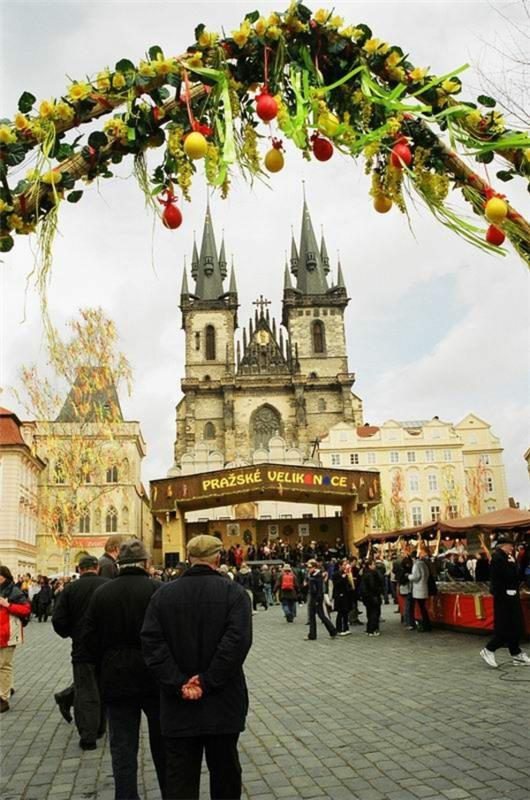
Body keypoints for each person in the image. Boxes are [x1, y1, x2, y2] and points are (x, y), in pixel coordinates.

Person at [141, 534, 252, 800]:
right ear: (217, 558)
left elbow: (152, 644)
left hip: (178, 702)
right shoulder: (234, 593)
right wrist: (207, 680)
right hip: (223, 700)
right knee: (225, 772)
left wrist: (179, 681)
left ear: (189, 559)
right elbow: (236, 643)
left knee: (180, 776)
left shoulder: (163, 595)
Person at [83, 539, 165, 800]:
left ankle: (126, 795)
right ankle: (170, 792)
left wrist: (103, 665)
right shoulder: (158, 590)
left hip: (116, 675)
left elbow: (88, 638)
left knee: (122, 747)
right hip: (155, 674)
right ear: (145, 563)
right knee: (164, 743)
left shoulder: (102, 593)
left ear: (119, 564)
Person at [52, 555, 109, 748]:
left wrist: (72, 633)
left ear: (79, 568)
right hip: (105, 648)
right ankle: (101, 727)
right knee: (103, 688)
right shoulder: (108, 585)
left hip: (81, 648)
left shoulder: (70, 589)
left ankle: (88, 736)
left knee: (85, 691)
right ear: (97, 567)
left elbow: (58, 620)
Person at [480, 534, 530, 668]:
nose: (512, 548)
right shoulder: (498, 558)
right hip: (504, 598)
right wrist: (513, 565)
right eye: (510, 546)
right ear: (503, 546)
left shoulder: (505, 558)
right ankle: (489, 649)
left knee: (516, 625)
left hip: (511, 596)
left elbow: (515, 578)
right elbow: (508, 576)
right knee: (505, 627)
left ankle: (516, 653)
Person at [0, 566, 31, 713]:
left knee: (3, 665)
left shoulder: (13, 590)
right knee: (5, 665)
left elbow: (26, 610)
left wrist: (8, 605)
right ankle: (8, 687)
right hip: (2, 632)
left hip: (8, 634)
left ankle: (3, 699)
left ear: (3, 577)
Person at [304, 560, 337, 641]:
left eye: (310, 567)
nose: (308, 569)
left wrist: (318, 600)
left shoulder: (318, 576)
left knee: (321, 615)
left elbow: (319, 589)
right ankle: (312, 635)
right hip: (312, 596)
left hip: (317, 598)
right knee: (312, 617)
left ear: (314, 567)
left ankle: (332, 630)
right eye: (308, 567)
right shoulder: (311, 575)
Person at [360, 560, 384, 636]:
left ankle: (369, 629)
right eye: (373, 564)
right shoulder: (372, 574)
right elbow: (373, 586)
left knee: (370, 613)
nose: (375, 566)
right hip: (373, 596)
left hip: (367, 597)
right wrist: (378, 592)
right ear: (369, 566)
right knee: (375, 613)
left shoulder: (364, 573)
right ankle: (373, 629)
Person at [409, 551, 432, 632]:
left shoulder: (416, 565)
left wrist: (409, 576)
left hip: (418, 589)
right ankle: (426, 624)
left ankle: (426, 625)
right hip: (424, 587)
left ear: (413, 558)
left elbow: (416, 576)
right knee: (423, 608)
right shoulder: (424, 564)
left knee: (422, 608)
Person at [332, 560, 354, 636]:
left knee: (346, 612)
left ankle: (346, 628)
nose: (345, 566)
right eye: (344, 565)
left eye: (346, 565)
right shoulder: (336, 574)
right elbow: (336, 584)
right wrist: (343, 577)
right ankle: (339, 629)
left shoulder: (347, 574)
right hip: (339, 595)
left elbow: (348, 584)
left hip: (346, 595)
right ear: (340, 566)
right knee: (340, 612)